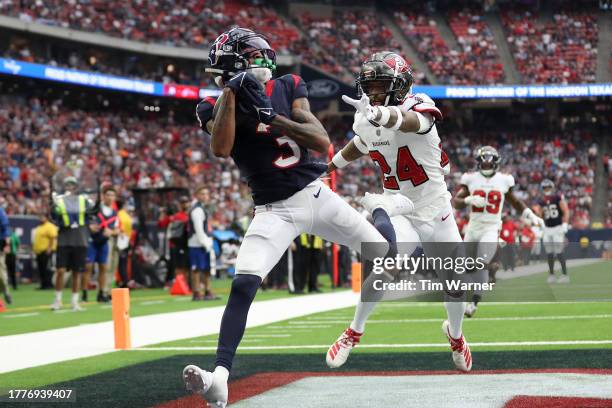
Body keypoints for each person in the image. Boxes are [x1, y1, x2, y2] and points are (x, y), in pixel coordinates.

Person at [182, 28, 388, 407]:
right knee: (244, 284)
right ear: (234, 64)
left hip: (315, 195)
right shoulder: (210, 103)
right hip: (273, 210)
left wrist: (271, 117)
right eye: (253, 57)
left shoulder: (289, 84)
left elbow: (320, 140)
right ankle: (220, 379)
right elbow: (221, 146)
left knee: (382, 251)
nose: (263, 63)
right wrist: (232, 92)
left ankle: (355, 328)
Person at [453, 146, 544, 317]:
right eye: (484, 163)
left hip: (491, 227)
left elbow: (516, 202)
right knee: (465, 266)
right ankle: (489, 273)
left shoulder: (504, 180)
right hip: (473, 227)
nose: (486, 166)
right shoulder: (471, 179)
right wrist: (469, 199)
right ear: (479, 163)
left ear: (496, 163)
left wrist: (531, 215)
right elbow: (456, 202)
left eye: (489, 163)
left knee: (481, 263)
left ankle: (473, 303)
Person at [50, 176, 97, 311]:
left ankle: (75, 302)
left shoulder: (84, 201)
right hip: (64, 240)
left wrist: (92, 225)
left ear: (76, 187)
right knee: (60, 270)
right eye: (67, 185)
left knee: (77, 272)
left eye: (72, 185)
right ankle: (57, 300)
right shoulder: (58, 201)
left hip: (80, 240)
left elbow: (92, 217)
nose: (70, 188)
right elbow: (53, 216)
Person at [84, 186, 120, 303]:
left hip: (104, 242)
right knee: (88, 267)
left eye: (112, 195)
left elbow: (117, 229)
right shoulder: (95, 208)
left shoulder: (115, 213)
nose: (110, 197)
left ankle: (101, 293)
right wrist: (90, 227)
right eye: (108, 195)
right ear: (103, 196)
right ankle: (84, 293)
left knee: (103, 268)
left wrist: (111, 232)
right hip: (92, 241)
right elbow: (85, 220)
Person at [535, 179, 570, 283]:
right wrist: (540, 227)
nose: (547, 189)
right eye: (545, 188)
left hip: (557, 227)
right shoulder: (541, 201)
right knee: (549, 253)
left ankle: (564, 275)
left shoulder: (557, 198)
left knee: (559, 252)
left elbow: (565, 210)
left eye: (548, 187)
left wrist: (565, 223)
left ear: (552, 187)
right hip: (547, 229)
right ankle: (552, 275)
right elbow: (540, 216)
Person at [188, 187, 218, 301]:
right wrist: (206, 243)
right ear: (197, 195)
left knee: (206, 268)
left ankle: (207, 291)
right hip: (197, 243)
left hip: (202, 242)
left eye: (206, 194)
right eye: (202, 194)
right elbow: (199, 229)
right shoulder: (197, 210)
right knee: (196, 269)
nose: (205, 196)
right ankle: (196, 292)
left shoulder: (202, 208)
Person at [32, 213, 58, 289]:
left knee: (47, 268)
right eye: (40, 217)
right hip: (39, 251)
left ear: (47, 218)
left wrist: (49, 248)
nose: (41, 219)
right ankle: (43, 284)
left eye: (42, 217)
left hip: (46, 250)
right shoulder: (40, 227)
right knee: (41, 269)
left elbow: (52, 238)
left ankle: (48, 284)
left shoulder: (50, 226)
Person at [116, 200, 133, 288]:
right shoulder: (127, 216)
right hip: (127, 241)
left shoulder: (118, 215)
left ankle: (125, 281)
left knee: (120, 264)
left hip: (120, 242)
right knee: (123, 263)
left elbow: (120, 229)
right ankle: (125, 281)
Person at [0, 202, 12, 304]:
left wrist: (7, 244)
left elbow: (5, 228)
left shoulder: (0, 211)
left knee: (1, 274)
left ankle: (6, 292)